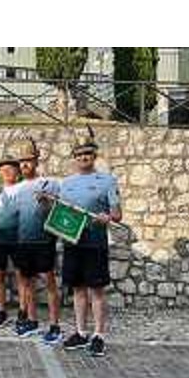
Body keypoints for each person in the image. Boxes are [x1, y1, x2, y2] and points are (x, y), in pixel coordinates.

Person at [60, 128, 122, 357]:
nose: (83, 157)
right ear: (74, 157)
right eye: (79, 154)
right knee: (77, 289)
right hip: (72, 242)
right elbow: (61, 212)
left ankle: (99, 335)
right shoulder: (66, 183)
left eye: (87, 153)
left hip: (95, 242)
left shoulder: (107, 180)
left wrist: (108, 217)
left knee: (96, 290)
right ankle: (80, 332)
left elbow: (117, 214)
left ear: (94, 155)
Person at [12, 139, 61, 339]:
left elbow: (60, 210)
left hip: (44, 242)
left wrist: (48, 202)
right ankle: (32, 321)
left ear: (36, 162)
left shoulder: (50, 184)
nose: (25, 164)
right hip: (23, 242)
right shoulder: (17, 188)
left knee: (50, 284)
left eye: (29, 160)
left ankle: (55, 326)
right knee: (27, 284)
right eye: (22, 161)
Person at [0, 153, 25, 329]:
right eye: (3, 169)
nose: (7, 172)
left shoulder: (23, 189)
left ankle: (23, 310)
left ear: (17, 171)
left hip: (19, 238)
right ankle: (1, 311)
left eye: (10, 169)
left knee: (21, 276)